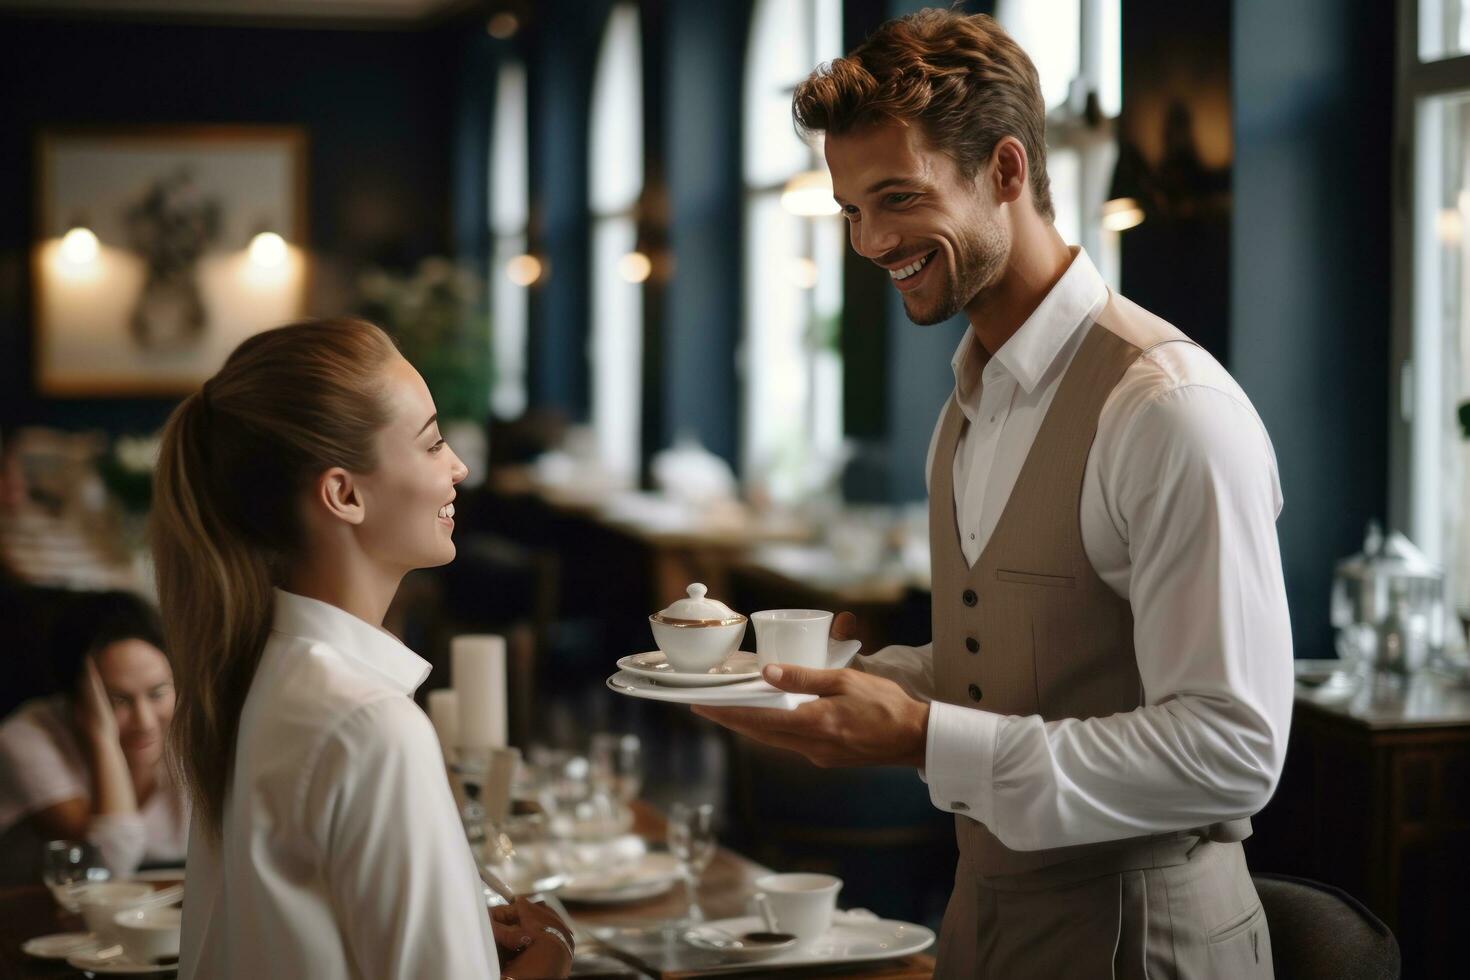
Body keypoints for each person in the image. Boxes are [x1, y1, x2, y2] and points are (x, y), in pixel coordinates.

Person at [693, 10, 1292, 978]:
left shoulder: (1169, 410)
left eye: (896, 197)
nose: (871, 240)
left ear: (1006, 172)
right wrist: (852, 684)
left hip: (1147, 944)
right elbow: (1015, 663)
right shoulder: (971, 402)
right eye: (851, 209)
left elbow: (1230, 748)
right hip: (985, 927)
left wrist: (926, 735)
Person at [151, 318, 571, 980]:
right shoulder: (371, 726)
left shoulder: (251, 677)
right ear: (344, 494)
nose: (458, 466)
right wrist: (552, 958)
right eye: (433, 444)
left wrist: (454, 916)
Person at [0, 589, 188, 885]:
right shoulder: (25, 738)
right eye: (118, 700)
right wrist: (103, 739)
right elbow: (111, 864)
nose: (145, 721)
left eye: (157, 693)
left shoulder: (190, 733)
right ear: (76, 701)